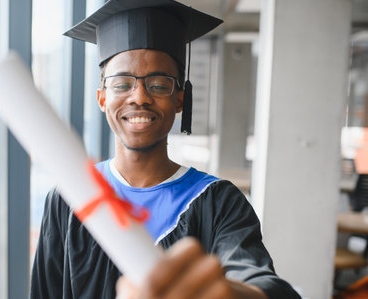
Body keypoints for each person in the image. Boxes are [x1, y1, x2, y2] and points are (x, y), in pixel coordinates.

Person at [30, 0, 301, 298]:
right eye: (122, 84)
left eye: (159, 84)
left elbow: (262, 284)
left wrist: (229, 294)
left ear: (180, 99)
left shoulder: (219, 202)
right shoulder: (70, 198)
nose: (140, 97)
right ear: (102, 98)